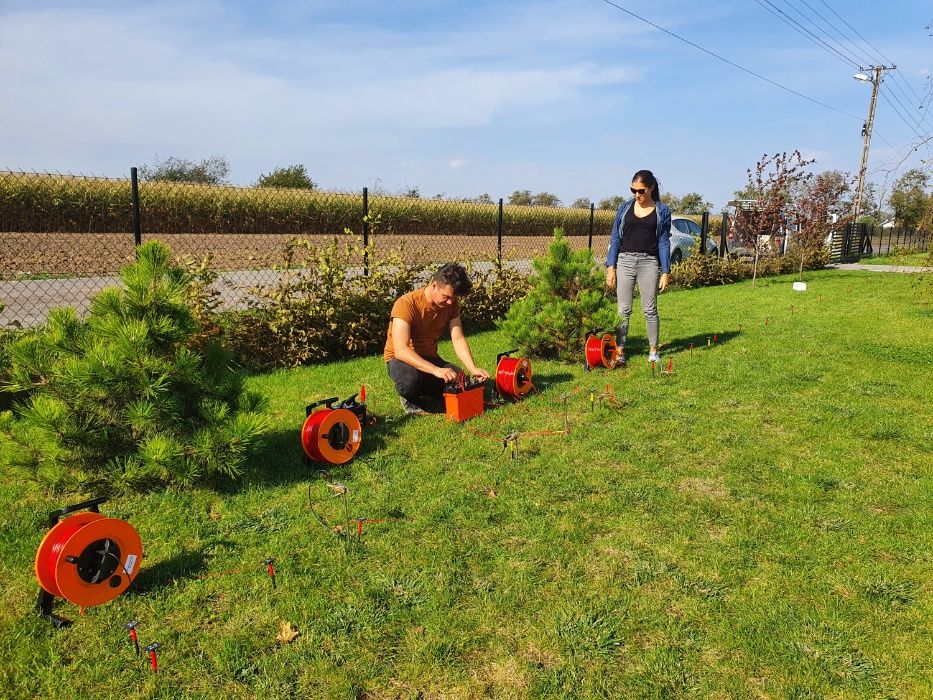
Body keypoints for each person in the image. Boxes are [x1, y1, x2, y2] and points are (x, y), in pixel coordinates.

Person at [384, 263, 490, 415]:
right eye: (446, 297)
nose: (449, 302)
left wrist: (472, 368)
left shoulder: (451, 304)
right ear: (434, 285)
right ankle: (410, 396)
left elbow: (458, 338)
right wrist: (435, 370)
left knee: (461, 381)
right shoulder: (406, 304)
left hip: (430, 358)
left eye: (453, 298)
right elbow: (401, 350)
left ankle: (425, 386)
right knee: (410, 380)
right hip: (400, 361)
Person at [604, 169, 672, 364]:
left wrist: (666, 271)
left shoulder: (662, 211)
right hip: (625, 260)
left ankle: (653, 351)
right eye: (633, 190)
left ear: (651, 188)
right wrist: (611, 267)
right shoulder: (624, 208)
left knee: (649, 309)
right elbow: (615, 238)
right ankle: (620, 352)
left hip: (649, 262)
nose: (637, 195)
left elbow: (663, 242)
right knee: (623, 310)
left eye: (641, 190)